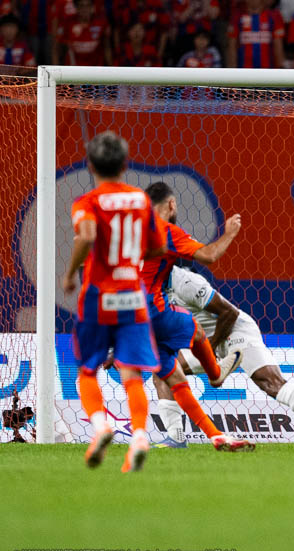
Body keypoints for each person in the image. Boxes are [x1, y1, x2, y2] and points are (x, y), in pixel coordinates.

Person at [154, 265, 294, 449]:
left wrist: (209, 350)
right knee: (164, 369)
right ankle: (176, 438)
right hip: (206, 341)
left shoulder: (186, 282)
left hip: (235, 331)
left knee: (271, 382)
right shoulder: (150, 287)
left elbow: (229, 313)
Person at [62, 131, 166, 472]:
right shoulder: (140, 200)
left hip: (99, 297)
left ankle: (100, 426)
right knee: (132, 373)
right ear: (125, 165)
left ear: (90, 166)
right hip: (133, 297)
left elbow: (87, 235)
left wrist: (70, 273)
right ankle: (139, 437)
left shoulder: (87, 202)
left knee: (87, 370)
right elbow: (158, 247)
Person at [140, 182, 254, 452]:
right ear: (171, 204)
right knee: (195, 329)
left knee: (174, 378)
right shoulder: (166, 232)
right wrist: (229, 233)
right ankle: (216, 374)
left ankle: (211, 436)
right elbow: (209, 256)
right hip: (154, 312)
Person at [227, 0, 285, 68]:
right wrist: (232, 67)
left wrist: (280, 67)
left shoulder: (274, 16)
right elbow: (232, 45)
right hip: (244, 69)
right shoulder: (237, 16)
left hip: (267, 69)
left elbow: (278, 44)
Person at [52, 0, 110, 66]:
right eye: (81, 6)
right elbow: (56, 49)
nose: (85, 9)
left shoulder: (101, 23)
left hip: (96, 69)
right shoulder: (68, 23)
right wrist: (55, 68)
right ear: (76, 8)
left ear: (92, 7)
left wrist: (111, 67)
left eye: (88, 5)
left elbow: (107, 48)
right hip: (73, 69)